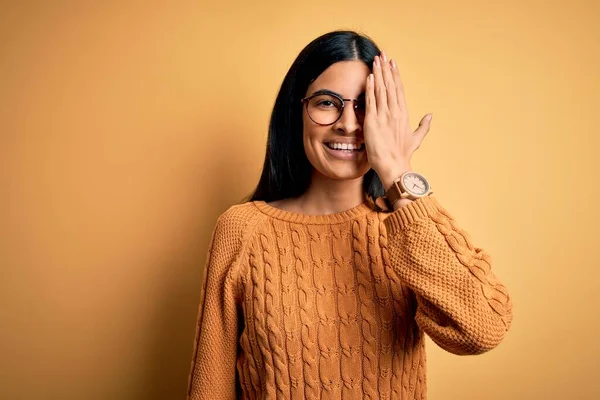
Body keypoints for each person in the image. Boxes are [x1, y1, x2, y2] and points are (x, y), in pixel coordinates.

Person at [186, 30, 513, 400]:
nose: (348, 123)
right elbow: (209, 387)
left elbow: (482, 328)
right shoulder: (241, 229)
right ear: (297, 113)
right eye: (327, 103)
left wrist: (396, 171)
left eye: (365, 105)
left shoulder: (408, 229)